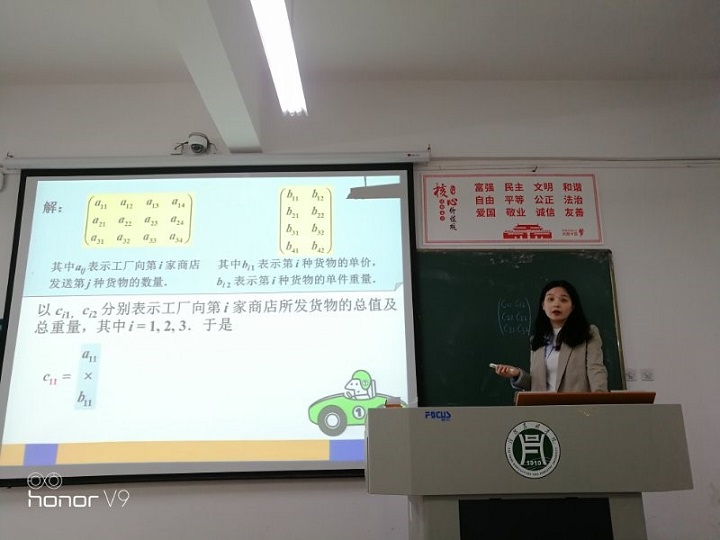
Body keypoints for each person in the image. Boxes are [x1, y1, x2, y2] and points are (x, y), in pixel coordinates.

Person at [493, 280, 608, 392]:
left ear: (572, 307)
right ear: (543, 305)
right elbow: (537, 385)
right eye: (551, 299)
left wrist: (600, 397)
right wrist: (517, 374)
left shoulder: (588, 333)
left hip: (575, 404)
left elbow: (596, 369)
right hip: (543, 405)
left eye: (563, 300)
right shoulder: (537, 339)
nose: (556, 304)